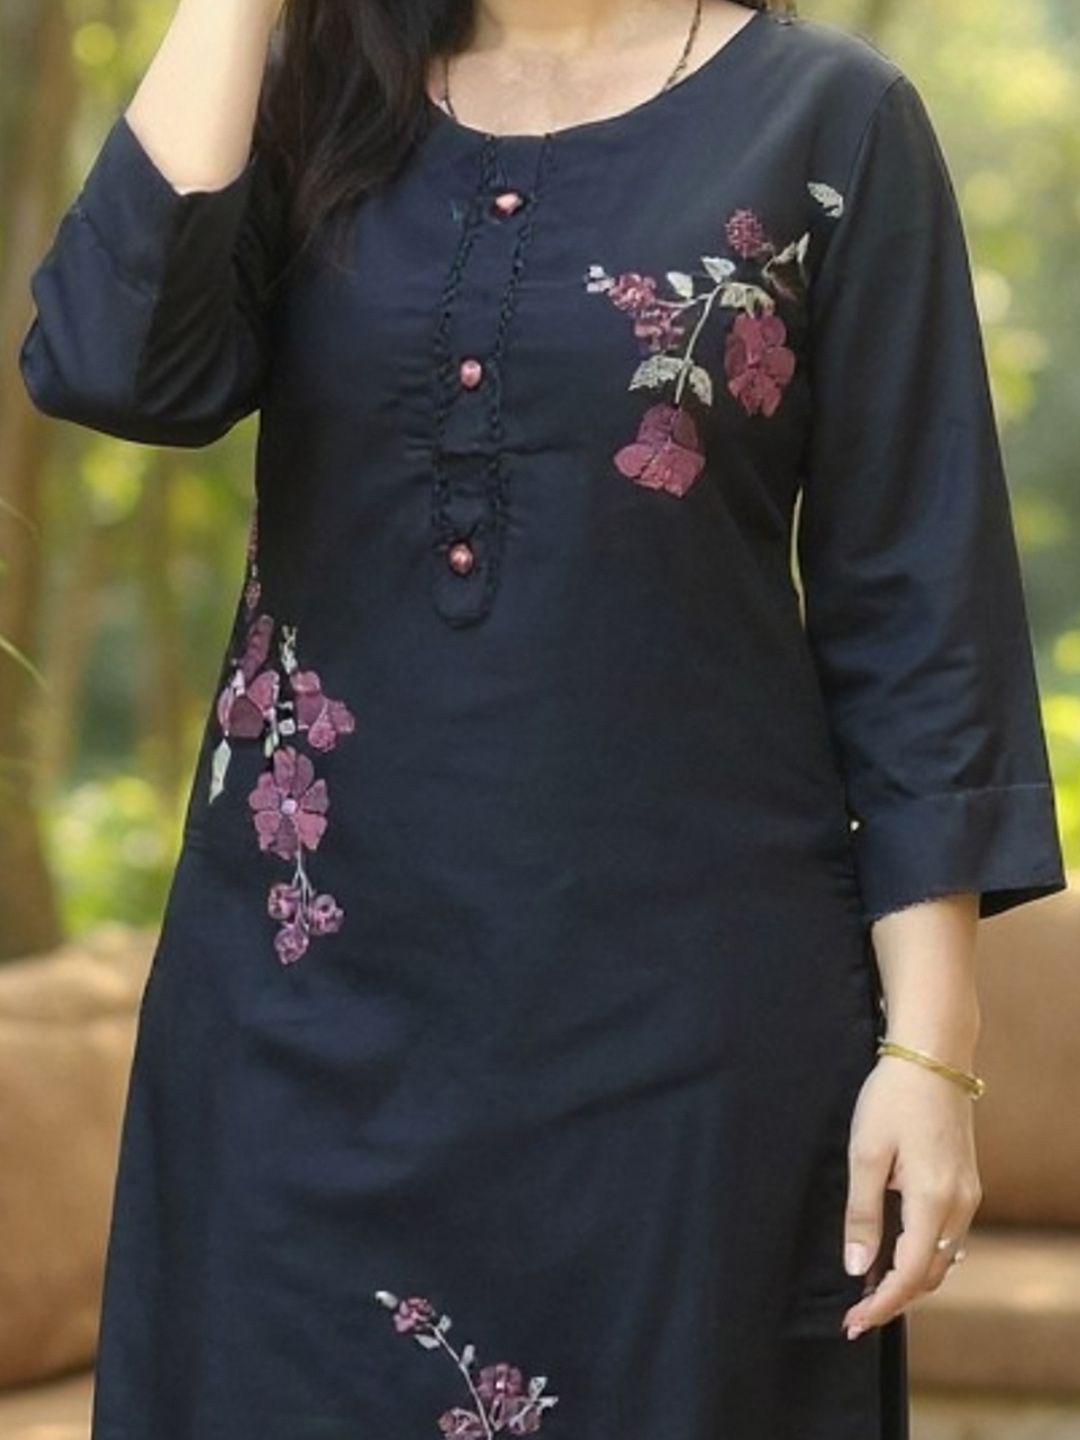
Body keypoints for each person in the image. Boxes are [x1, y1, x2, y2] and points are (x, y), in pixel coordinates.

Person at [17, 0, 1068, 1435]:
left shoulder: (832, 120)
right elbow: (112, 359)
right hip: (297, 1028)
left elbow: (918, 608)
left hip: (692, 1048)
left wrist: (930, 1053)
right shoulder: (317, 93)